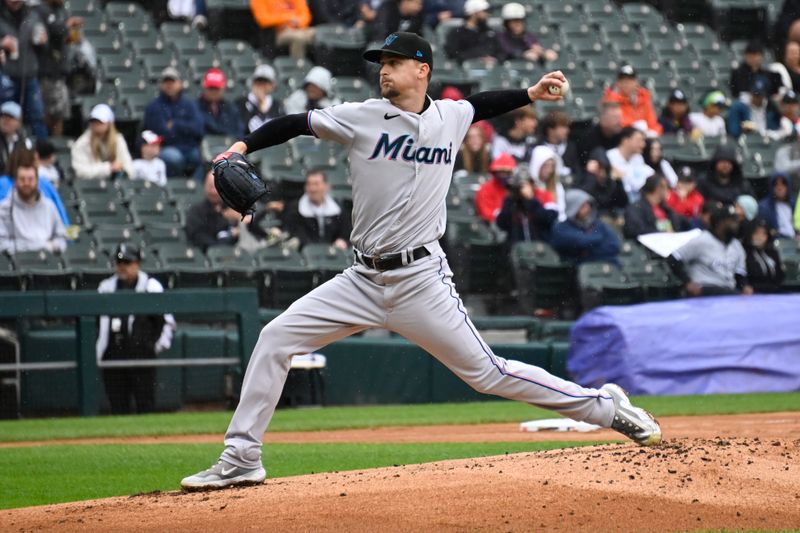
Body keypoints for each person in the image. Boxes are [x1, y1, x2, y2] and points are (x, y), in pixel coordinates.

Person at [181, 32, 661, 490]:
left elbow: (483, 104)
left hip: (420, 279)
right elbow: (295, 123)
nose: (383, 72)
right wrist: (241, 147)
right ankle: (241, 458)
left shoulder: (450, 117)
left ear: (422, 69)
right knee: (275, 338)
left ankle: (603, 406)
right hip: (361, 279)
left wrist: (531, 93)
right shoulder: (361, 116)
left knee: (488, 374)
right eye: (381, 65)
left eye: (392, 63)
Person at [96, 243, 176, 415]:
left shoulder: (151, 286)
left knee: (145, 406)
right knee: (118, 407)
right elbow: (98, 326)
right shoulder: (106, 287)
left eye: (127, 262)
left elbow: (166, 321)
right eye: (120, 263)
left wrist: (154, 347)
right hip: (114, 355)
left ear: (137, 263)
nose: (123, 267)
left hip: (142, 356)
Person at [668, 204, 753, 297]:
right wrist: (687, 282)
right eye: (731, 220)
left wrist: (745, 286)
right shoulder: (702, 240)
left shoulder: (736, 245)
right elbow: (674, 258)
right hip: (704, 290)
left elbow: (740, 274)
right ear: (720, 222)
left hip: (728, 291)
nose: (735, 224)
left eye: (736, 220)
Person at [0, 147, 65, 253]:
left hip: (48, 262)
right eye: (22, 179)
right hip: (18, 263)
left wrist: (56, 246)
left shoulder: (49, 206)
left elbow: (61, 237)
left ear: (37, 181)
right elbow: (2, 244)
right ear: (15, 182)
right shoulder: (3, 208)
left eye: (30, 179)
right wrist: (41, 245)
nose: (26, 183)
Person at [142, 67, 204, 178]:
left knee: (205, 157)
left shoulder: (189, 104)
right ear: (161, 85)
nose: (169, 85)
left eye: (172, 81)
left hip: (190, 147)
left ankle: (195, 187)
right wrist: (186, 129)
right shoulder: (154, 106)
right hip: (166, 147)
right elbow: (161, 132)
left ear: (180, 83)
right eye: (166, 82)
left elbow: (198, 128)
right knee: (173, 158)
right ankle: (177, 188)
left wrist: (175, 124)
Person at [0, 0, 48, 138]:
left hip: (29, 74)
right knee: (5, 118)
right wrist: (2, 43)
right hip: (5, 76)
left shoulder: (33, 13)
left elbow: (44, 46)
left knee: (36, 117)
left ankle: (41, 155)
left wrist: (43, 41)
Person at [34, 0, 80, 137]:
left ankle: (56, 146)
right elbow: (56, 30)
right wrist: (69, 25)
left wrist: (71, 35)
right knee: (48, 113)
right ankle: (47, 144)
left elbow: (63, 37)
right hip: (47, 72)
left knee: (59, 114)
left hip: (58, 71)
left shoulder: (59, 11)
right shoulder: (41, 10)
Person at [550, 188, 621, 265]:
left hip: (606, 267)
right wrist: (600, 238)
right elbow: (581, 242)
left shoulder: (598, 224)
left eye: (589, 205)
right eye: (583, 206)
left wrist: (589, 249)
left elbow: (615, 245)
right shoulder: (561, 228)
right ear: (573, 207)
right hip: (577, 270)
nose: (588, 209)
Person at [283, 169, 351, 250]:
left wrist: (342, 241)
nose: (313, 189)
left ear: (327, 186)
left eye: (316, 184)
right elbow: (295, 234)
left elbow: (346, 234)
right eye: (309, 184)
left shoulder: (338, 209)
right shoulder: (295, 208)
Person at [70, 103, 133, 180]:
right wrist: (108, 168)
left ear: (109, 123)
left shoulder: (118, 139)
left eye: (100, 122)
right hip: (92, 185)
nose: (96, 124)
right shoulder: (82, 143)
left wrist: (122, 169)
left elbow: (128, 165)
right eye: (94, 121)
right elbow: (80, 172)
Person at [185, 168, 241, 251]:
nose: (213, 191)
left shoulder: (234, 209)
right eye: (210, 186)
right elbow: (200, 239)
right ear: (204, 187)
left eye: (217, 187)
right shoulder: (196, 211)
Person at [496, 171, 557, 244]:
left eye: (524, 185)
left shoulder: (543, 196)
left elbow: (550, 219)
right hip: (516, 247)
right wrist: (511, 199)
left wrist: (531, 200)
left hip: (539, 246)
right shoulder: (510, 201)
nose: (521, 189)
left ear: (532, 184)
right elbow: (501, 224)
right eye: (518, 186)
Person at [602, 65, 662, 137]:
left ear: (636, 82)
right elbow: (616, 125)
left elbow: (653, 124)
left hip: (642, 139)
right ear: (618, 83)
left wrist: (653, 132)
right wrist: (637, 128)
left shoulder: (644, 99)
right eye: (623, 79)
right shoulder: (611, 100)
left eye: (630, 79)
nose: (626, 83)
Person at [623, 174, 687, 239]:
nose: (668, 190)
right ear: (657, 188)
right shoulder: (636, 209)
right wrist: (663, 233)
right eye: (666, 187)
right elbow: (636, 231)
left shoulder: (666, 209)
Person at [606, 126, 654, 203]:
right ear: (625, 141)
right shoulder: (610, 156)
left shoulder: (638, 158)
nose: (643, 145)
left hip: (638, 198)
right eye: (639, 141)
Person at [579, 147, 628, 220]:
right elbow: (584, 198)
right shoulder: (585, 178)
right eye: (599, 168)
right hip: (591, 217)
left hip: (609, 216)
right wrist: (591, 175)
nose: (602, 173)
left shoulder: (610, 182)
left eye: (604, 169)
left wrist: (619, 182)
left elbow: (622, 203)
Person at [197, 68, 244, 138]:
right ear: (204, 87)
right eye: (211, 88)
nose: (213, 92)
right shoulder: (194, 107)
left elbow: (238, 133)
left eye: (216, 88)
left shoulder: (231, 109)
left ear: (223, 88)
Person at [238, 64, 284, 134]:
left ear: (272, 85)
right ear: (253, 83)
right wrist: (259, 109)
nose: (262, 85)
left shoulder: (277, 105)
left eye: (266, 81)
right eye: (259, 81)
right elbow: (241, 130)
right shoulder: (241, 103)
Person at [743, 218, 784, 293]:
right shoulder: (744, 253)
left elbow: (780, 276)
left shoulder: (773, 253)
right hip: (753, 294)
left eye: (764, 233)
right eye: (756, 233)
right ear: (750, 234)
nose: (760, 237)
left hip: (775, 294)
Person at [577, 102, 623, 166]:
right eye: (615, 118)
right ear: (603, 119)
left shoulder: (624, 137)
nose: (619, 122)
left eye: (620, 118)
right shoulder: (588, 138)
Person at [537, 110, 579, 179]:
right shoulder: (539, 147)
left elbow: (577, 171)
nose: (567, 130)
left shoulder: (571, 147)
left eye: (567, 127)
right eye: (563, 127)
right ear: (550, 129)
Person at [475, 153, 515, 223]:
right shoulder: (486, 189)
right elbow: (485, 213)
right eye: (501, 172)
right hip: (492, 227)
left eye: (507, 172)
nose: (503, 176)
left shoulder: (516, 189)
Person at [530, 144, 565, 221]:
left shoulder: (557, 186)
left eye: (552, 166)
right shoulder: (529, 186)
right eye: (545, 166)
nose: (549, 170)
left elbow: (561, 212)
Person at [758, 173, 796, 239]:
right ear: (771, 187)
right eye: (776, 184)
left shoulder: (794, 203)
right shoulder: (764, 207)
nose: (779, 187)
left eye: (783, 183)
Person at [0, 100, 32, 175]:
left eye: (11, 117)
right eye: (3, 116)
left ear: (19, 122)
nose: (6, 120)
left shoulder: (25, 142)